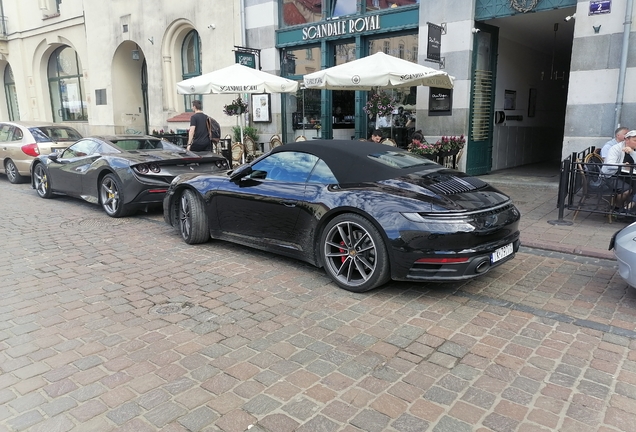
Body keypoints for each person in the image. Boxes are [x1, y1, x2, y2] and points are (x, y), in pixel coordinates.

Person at [601, 130, 636, 209]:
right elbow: (609, 164)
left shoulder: (634, 149)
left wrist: (632, 153)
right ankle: (616, 208)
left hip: (627, 175)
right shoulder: (616, 148)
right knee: (627, 190)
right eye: (635, 141)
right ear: (627, 140)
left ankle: (629, 209)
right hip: (610, 176)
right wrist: (623, 165)